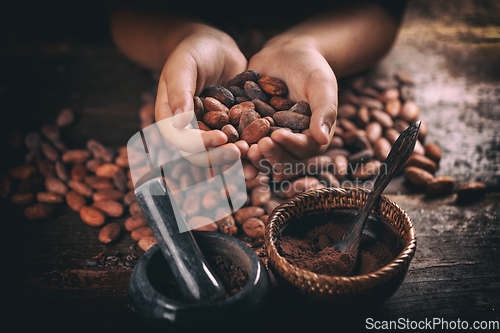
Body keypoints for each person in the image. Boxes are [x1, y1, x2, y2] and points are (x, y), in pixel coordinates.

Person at [110, 0, 407, 180]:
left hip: (341, 45)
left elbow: (382, 11)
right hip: (171, 43)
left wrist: (308, 45)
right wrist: (187, 38)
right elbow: (125, 12)